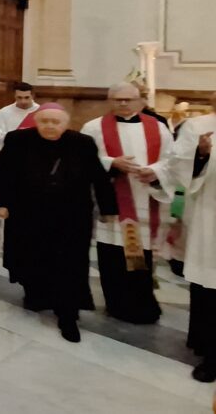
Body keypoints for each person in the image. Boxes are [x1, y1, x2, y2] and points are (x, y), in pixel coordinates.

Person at [0, 103, 117, 342]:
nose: (49, 126)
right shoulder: (18, 140)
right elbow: (3, 172)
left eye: (55, 122)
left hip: (72, 215)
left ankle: (67, 314)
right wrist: (0, 203)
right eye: (44, 121)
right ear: (36, 122)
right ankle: (36, 295)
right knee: (31, 256)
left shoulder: (82, 143)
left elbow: (99, 178)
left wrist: (108, 208)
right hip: (28, 213)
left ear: (66, 124)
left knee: (70, 263)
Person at [80, 82, 175, 324]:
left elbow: (171, 160)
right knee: (112, 254)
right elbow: (81, 159)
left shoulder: (159, 127)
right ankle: (116, 303)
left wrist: (154, 172)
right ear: (109, 101)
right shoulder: (93, 128)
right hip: (111, 203)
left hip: (144, 199)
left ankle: (141, 303)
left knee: (139, 256)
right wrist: (112, 163)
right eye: (117, 99)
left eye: (128, 99)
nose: (123, 103)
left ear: (140, 101)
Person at [171, 91, 216, 381]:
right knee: (210, 287)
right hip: (211, 216)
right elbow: (178, 169)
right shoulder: (198, 126)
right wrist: (200, 155)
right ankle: (210, 350)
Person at [0, 82, 37, 150]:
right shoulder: (4, 112)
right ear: (14, 96)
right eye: (19, 97)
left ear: (32, 96)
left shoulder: (40, 111)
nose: (23, 101)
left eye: (27, 97)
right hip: (12, 151)